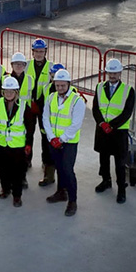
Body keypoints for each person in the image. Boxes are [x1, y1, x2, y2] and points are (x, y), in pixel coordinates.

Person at [43, 69, 85, 217]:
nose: (60, 88)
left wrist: (61, 139)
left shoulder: (77, 101)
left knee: (68, 170)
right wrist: (51, 137)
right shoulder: (51, 98)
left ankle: (72, 201)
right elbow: (45, 118)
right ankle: (61, 192)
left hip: (69, 142)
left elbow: (76, 124)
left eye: (62, 85)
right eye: (57, 85)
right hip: (53, 141)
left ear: (68, 84)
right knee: (59, 167)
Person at [93, 58, 135, 204]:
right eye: (110, 72)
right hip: (103, 131)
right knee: (103, 159)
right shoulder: (99, 87)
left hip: (118, 133)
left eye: (115, 73)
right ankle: (106, 181)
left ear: (120, 73)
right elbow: (95, 108)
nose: (112, 76)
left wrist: (112, 125)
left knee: (120, 163)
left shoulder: (128, 90)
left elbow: (127, 112)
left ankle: (121, 190)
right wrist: (102, 123)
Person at [0, 77, 32, 207]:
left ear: (17, 92)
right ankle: (5, 189)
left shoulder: (24, 106)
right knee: (2, 169)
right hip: (1, 143)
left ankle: (17, 195)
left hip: (17, 145)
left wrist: (28, 144)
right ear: (3, 92)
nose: (9, 94)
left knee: (18, 172)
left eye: (12, 91)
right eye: (6, 91)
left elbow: (30, 127)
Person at [6, 52, 34, 186]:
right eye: (16, 64)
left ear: (24, 66)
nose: (18, 66)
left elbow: (33, 96)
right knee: (10, 147)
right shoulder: (6, 79)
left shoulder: (30, 79)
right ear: (11, 65)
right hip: (10, 116)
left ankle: (22, 176)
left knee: (25, 146)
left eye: (21, 64)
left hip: (26, 116)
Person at [37, 63, 66, 188]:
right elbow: (41, 107)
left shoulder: (71, 92)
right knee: (48, 152)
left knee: (63, 158)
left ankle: (63, 184)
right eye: (54, 77)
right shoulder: (46, 89)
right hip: (48, 129)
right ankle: (49, 176)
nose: (56, 81)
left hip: (62, 132)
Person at [26, 39, 52, 168]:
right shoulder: (26, 65)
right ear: (32, 52)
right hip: (29, 106)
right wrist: (31, 102)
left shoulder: (51, 67)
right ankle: (27, 160)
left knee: (45, 134)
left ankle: (46, 161)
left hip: (44, 107)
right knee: (28, 134)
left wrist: (40, 103)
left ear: (45, 52)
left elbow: (52, 87)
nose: (39, 54)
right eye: (36, 51)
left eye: (41, 51)